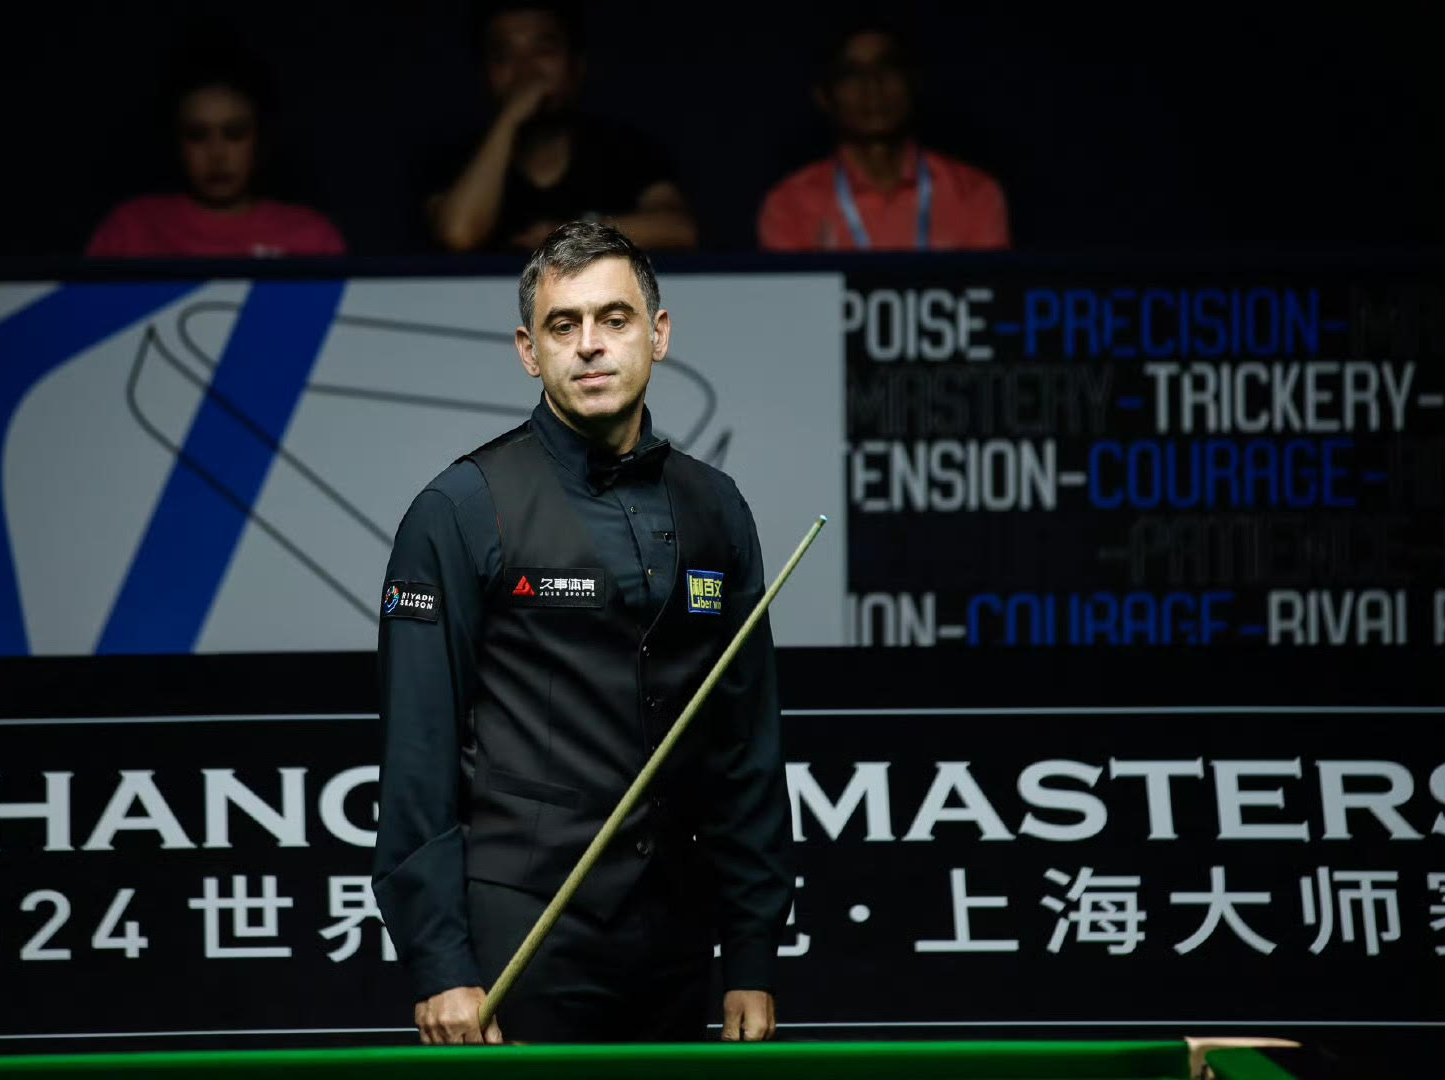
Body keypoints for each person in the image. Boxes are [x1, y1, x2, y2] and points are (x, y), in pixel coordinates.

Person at [373, 221, 789, 1044]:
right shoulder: (459, 510)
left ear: (658, 335)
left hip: (674, 936)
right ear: (529, 351)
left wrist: (751, 954)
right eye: (564, 326)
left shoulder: (718, 507)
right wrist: (440, 960)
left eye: (614, 319)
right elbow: (417, 754)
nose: (590, 344)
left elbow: (747, 748)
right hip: (521, 934)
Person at [426, 3, 696, 252]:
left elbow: (679, 229)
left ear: (576, 66)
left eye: (543, 51)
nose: (526, 72)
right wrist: (510, 119)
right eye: (503, 57)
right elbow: (458, 234)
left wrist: (572, 235)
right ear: (485, 74)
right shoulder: (455, 158)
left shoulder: (623, 150)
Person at [758, 23, 1010, 251]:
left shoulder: (975, 194)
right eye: (852, 74)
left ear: (914, 83)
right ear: (824, 96)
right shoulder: (790, 205)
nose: (873, 87)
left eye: (887, 69)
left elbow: (991, 287)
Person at [87, 54, 344, 257]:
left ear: (260, 138)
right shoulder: (130, 229)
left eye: (234, 134)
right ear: (176, 141)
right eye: (197, 135)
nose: (217, 153)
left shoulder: (312, 237)